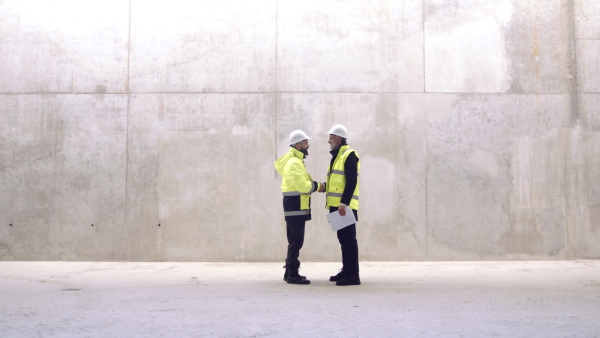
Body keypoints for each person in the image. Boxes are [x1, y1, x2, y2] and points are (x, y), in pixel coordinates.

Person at [274, 130, 324, 285]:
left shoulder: (295, 160)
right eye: (305, 142)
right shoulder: (294, 162)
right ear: (298, 144)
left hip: (295, 205)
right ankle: (292, 274)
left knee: (294, 240)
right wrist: (319, 186)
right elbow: (303, 186)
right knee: (296, 241)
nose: (308, 145)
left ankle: (289, 271)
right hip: (296, 206)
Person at [324, 124, 361, 286]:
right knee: (343, 239)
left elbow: (352, 181)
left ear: (339, 138)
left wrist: (344, 203)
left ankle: (354, 275)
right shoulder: (338, 155)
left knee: (349, 239)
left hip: (344, 206)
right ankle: (346, 270)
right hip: (336, 205)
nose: (328, 141)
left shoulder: (349, 155)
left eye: (331, 138)